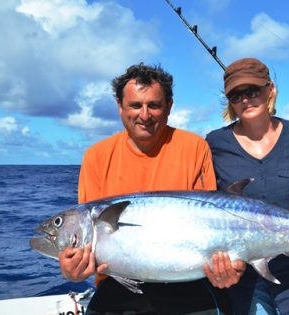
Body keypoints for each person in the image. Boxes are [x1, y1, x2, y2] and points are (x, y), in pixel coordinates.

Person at [57, 62, 240, 314]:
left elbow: (211, 223)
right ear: (120, 108)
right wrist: (73, 270)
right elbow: (88, 239)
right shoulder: (96, 156)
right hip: (118, 283)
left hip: (187, 281)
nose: (144, 114)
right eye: (135, 105)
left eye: (153, 105)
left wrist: (229, 265)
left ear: (168, 107)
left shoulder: (194, 147)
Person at [205, 57, 289, 315]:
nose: (245, 99)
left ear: (270, 89)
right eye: (236, 95)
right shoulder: (215, 144)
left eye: (252, 91)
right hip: (244, 280)